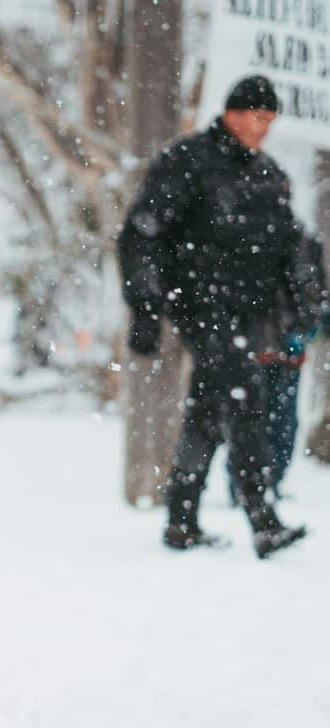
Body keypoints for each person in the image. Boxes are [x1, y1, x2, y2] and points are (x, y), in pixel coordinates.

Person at [119, 74, 307, 558]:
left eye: (271, 120)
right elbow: (141, 233)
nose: (264, 129)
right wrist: (145, 306)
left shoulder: (268, 175)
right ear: (233, 113)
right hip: (199, 303)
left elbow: (289, 247)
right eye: (259, 118)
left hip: (249, 312)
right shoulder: (188, 162)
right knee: (245, 400)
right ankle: (263, 521)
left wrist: (303, 304)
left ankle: (181, 521)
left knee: (207, 412)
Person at [226, 230, 327, 502]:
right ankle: (246, 486)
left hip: (286, 344)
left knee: (282, 421)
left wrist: (308, 323)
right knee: (254, 419)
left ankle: (268, 482)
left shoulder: (305, 240)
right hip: (255, 345)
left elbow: (314, 288)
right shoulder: (251, 230)